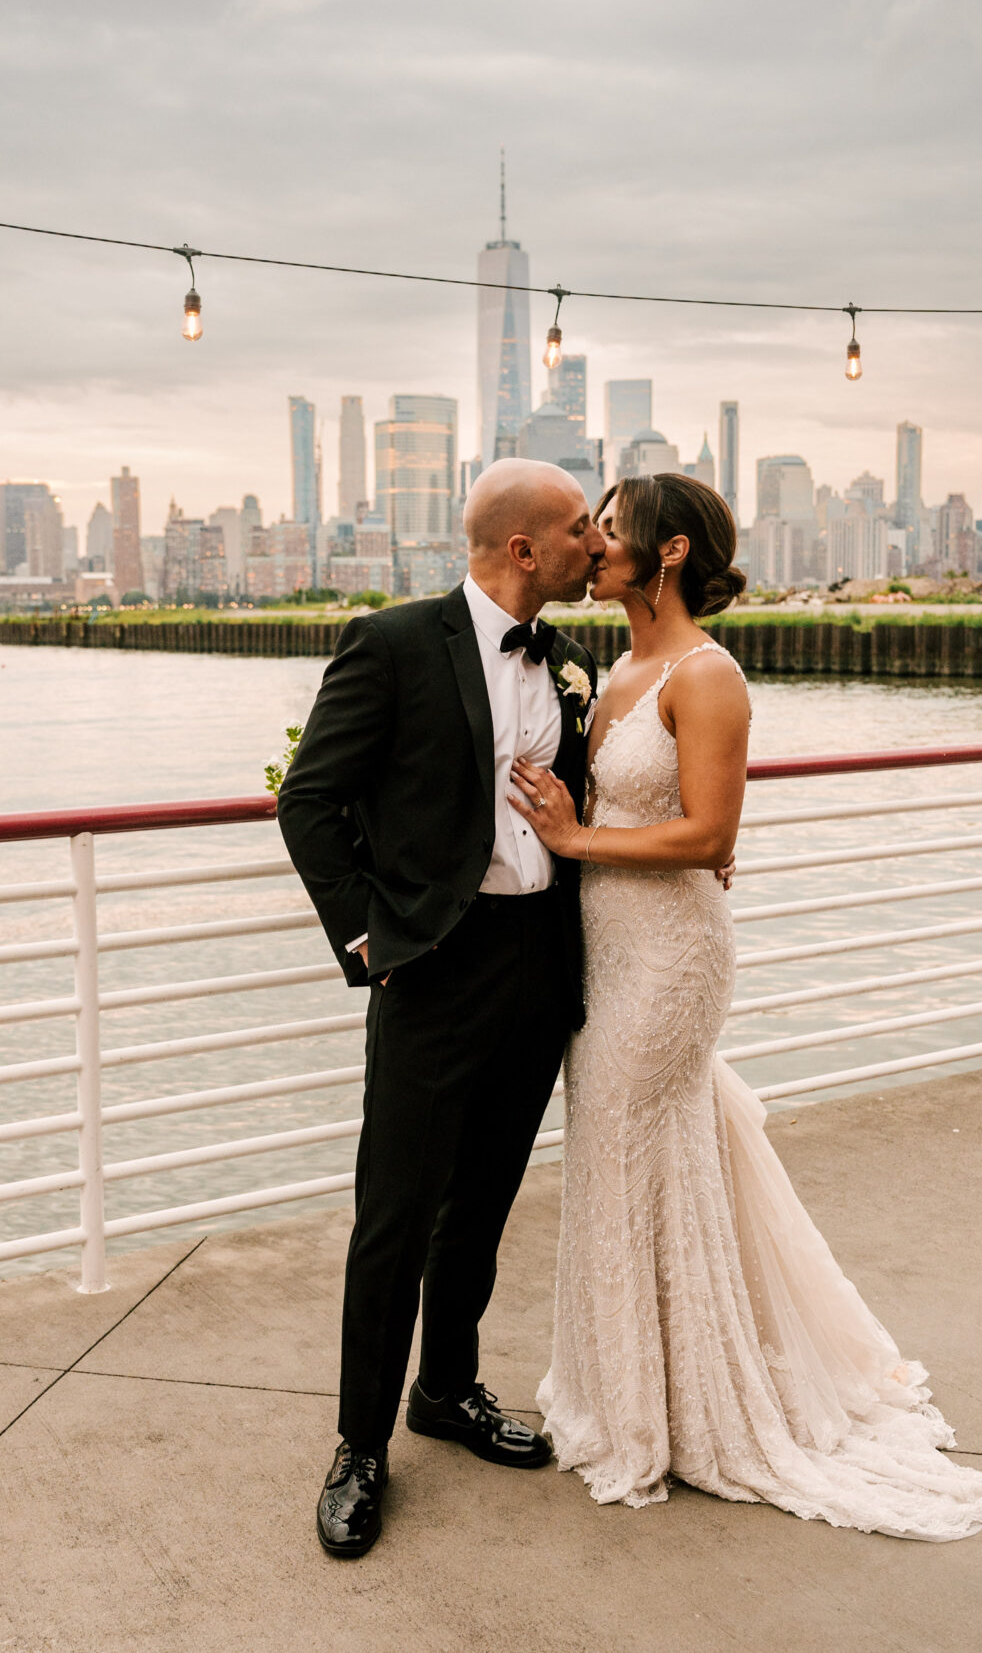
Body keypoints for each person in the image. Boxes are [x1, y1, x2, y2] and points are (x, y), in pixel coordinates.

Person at [509, 473, 982, 1541]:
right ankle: (634, 1388)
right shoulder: (620, 667)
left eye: (607, 532)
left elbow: (709, 837)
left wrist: (576, 838)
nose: (590, 547)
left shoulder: (707, 673)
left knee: (632, 1147)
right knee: (616, 1154)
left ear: (669, 550)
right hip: (606, 946)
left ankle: (679, 1409)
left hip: (671, 957)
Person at [276, 458, 606, 1558]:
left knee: (485, 1199)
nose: (594, 543)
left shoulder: (569, 660)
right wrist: (369, 937)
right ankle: (360, 1443)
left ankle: (448, 1390)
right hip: (432, 964)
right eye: (577, 529)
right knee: (395, 1213)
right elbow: (309, 798)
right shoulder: (395, 641)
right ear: (523, 547)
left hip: (536, 958)